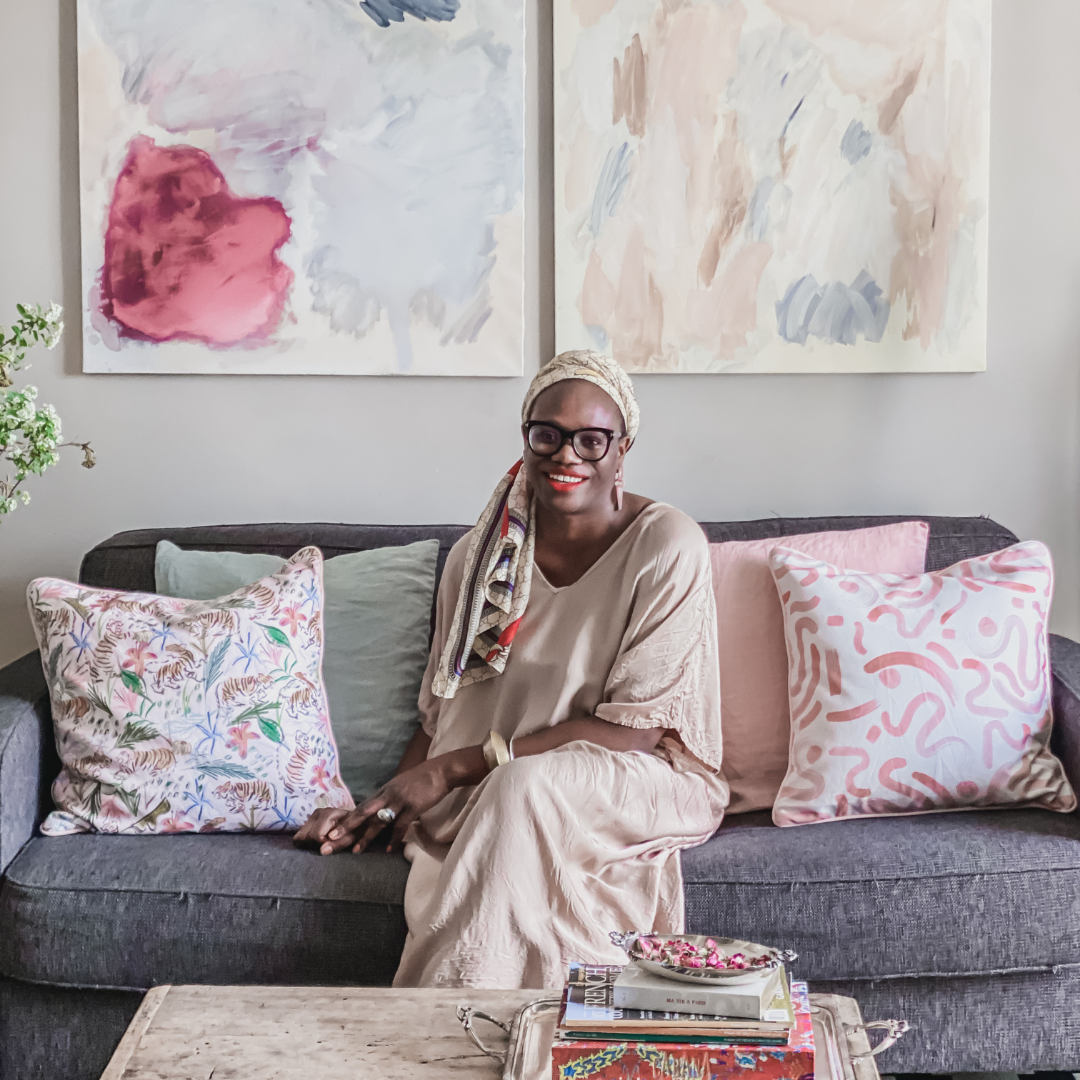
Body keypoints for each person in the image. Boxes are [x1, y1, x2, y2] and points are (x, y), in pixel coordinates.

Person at [294, 350, 728, 988]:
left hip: (641, 776)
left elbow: (635, 732)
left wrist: (453, 769)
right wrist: (383, 804)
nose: (566, 454)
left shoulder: (666, 545)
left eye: (591, 439)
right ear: (526, 438)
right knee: (516, 790)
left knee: (523, 787)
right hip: (496, 784)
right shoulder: (480, 558)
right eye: (546, 434)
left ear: (623, 448)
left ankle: (429, 1034)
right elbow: (443, 712)